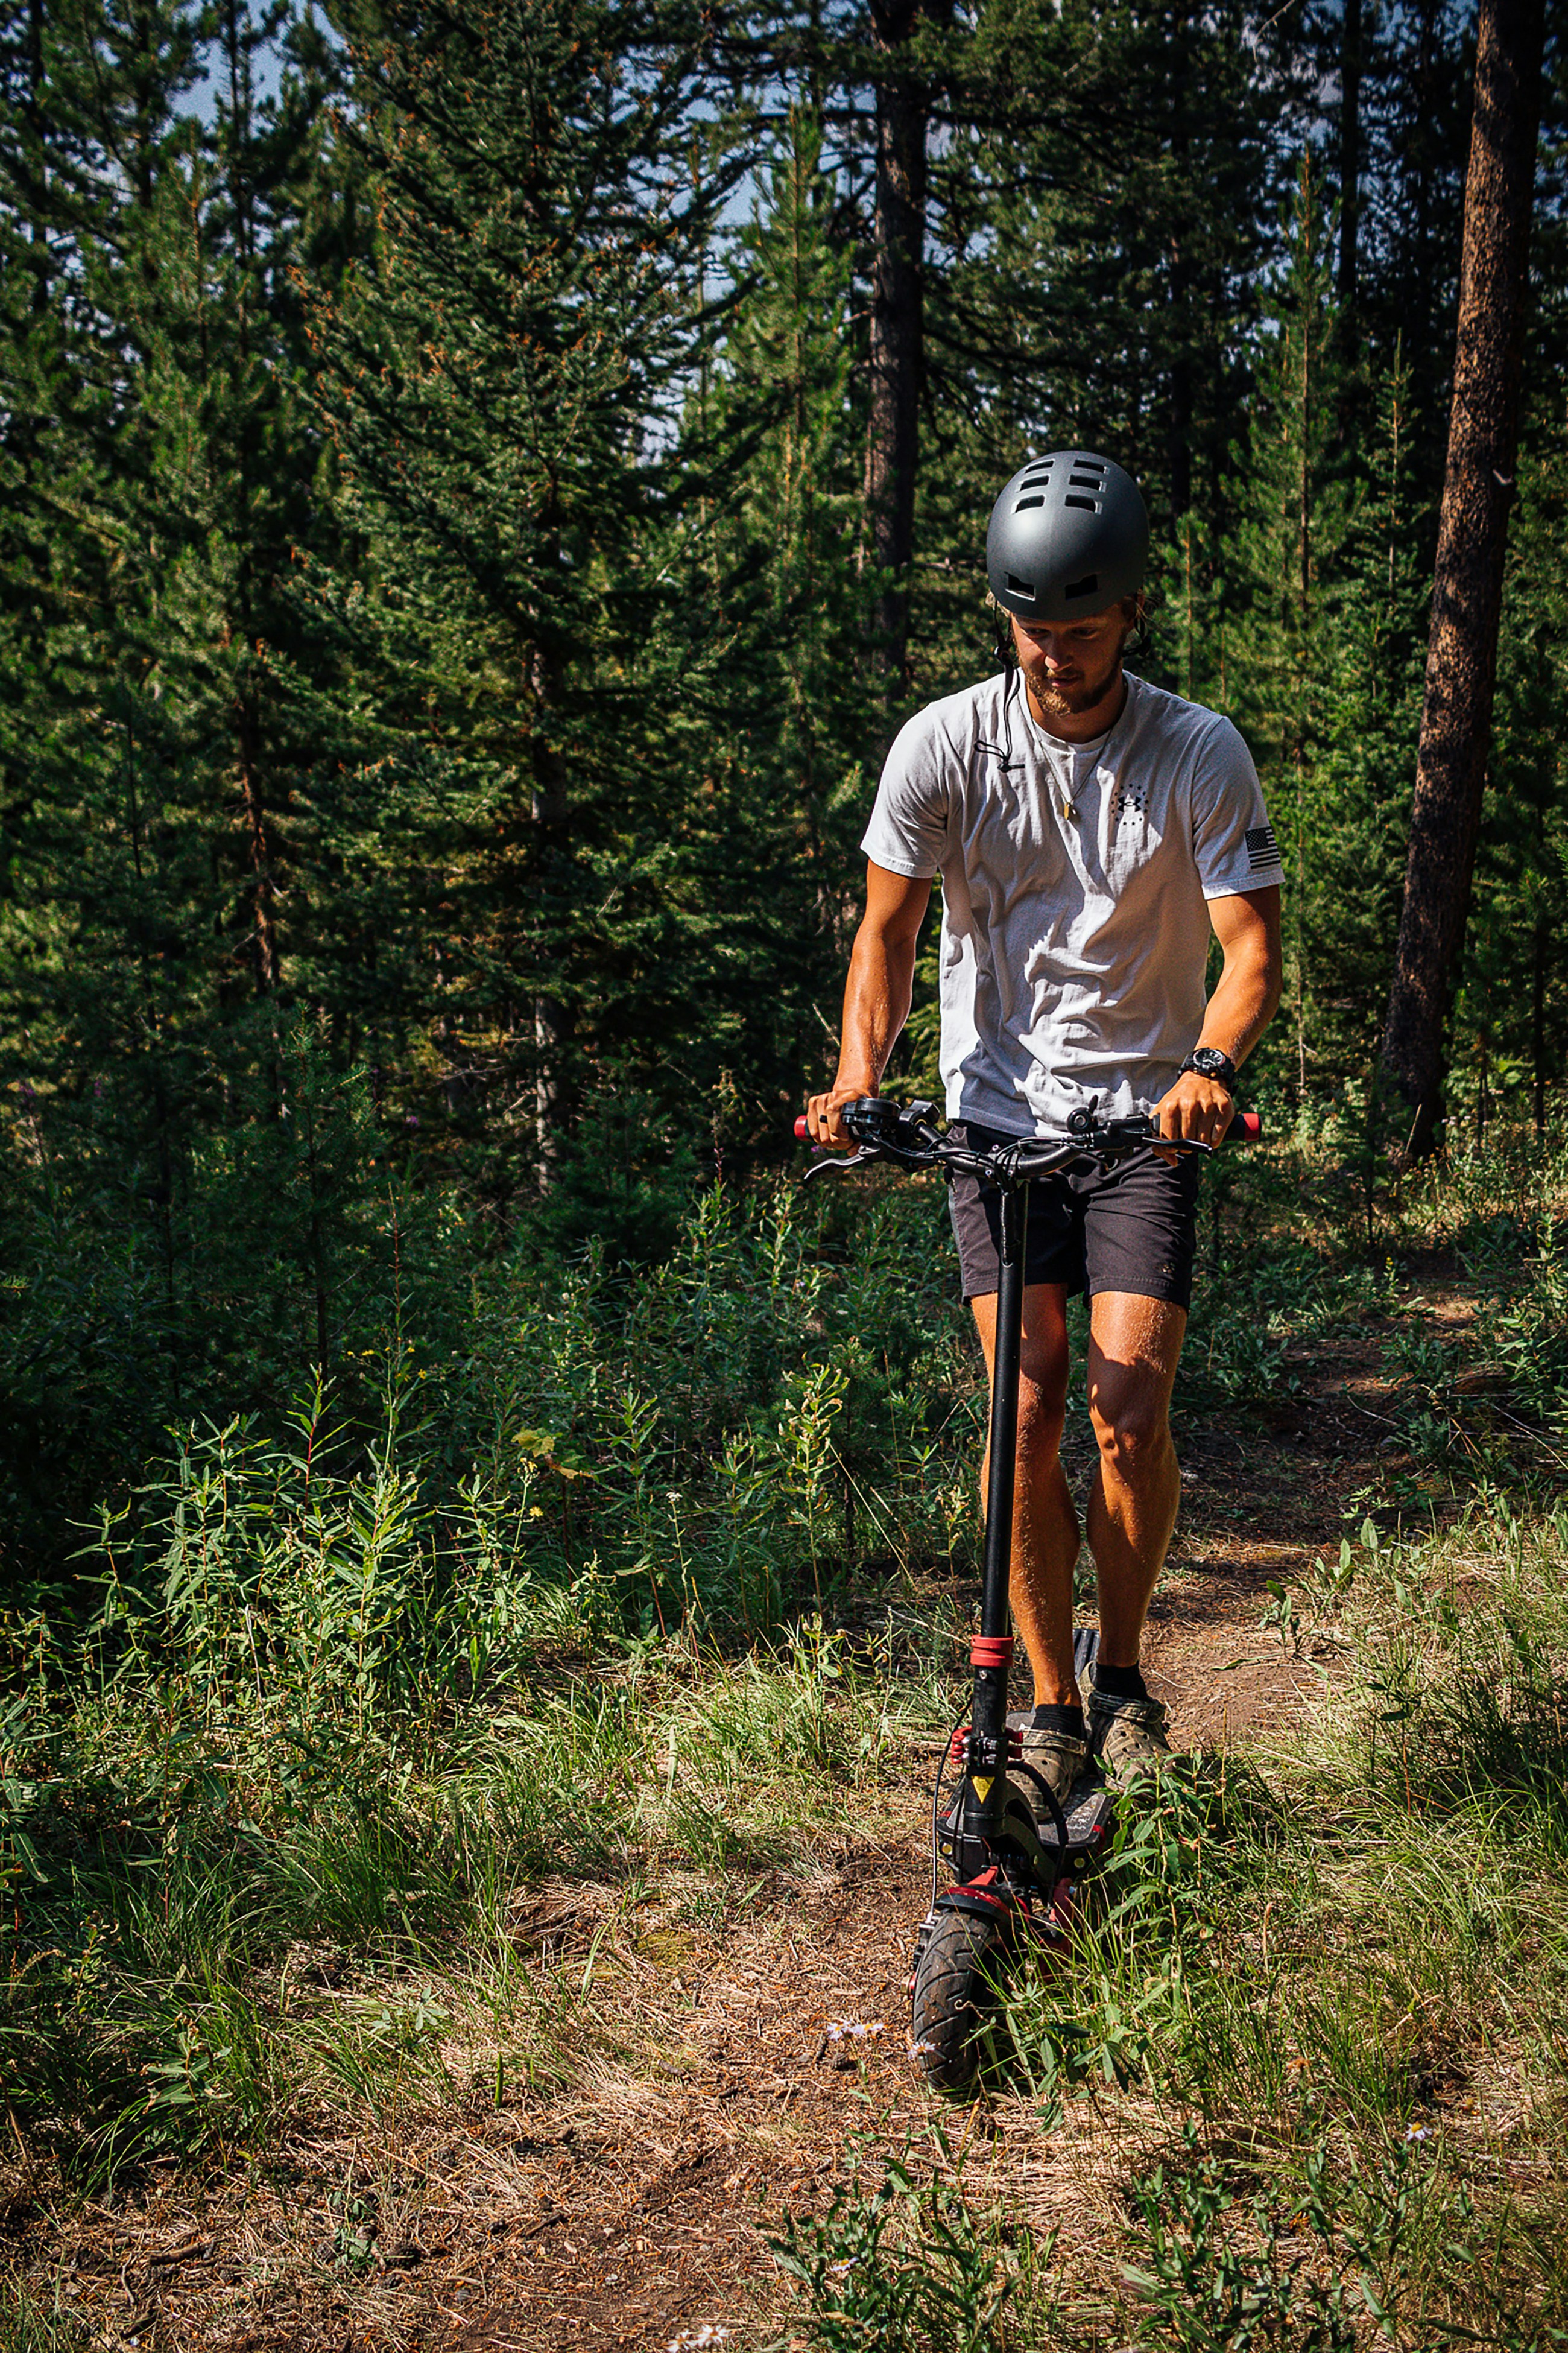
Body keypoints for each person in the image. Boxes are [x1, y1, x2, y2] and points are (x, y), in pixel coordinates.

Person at [806, 450, 1283, 1805]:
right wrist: (857, 1078)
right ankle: (1052, 1709)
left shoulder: (1194, 752)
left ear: (1131, 613)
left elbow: (1248, 953)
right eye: (1031, 631)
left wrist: (1208, 1063)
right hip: (996, 1121)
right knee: (1022, 1408)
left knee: (1127, 1409)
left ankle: (1122, 1673)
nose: (1054, 657)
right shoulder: (943, 745)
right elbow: (885, 939)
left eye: (1079, 631)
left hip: (1145, 1118)